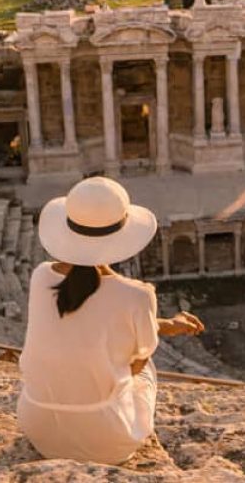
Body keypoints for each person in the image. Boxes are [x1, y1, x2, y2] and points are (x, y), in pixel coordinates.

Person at [17, 176, 204, 464]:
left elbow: (88, 321)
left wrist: (166, 324)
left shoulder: (41, 276)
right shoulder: (137, 295)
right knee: (146, 364)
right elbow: (133, 363)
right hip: (106, 441)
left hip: (39, 428)